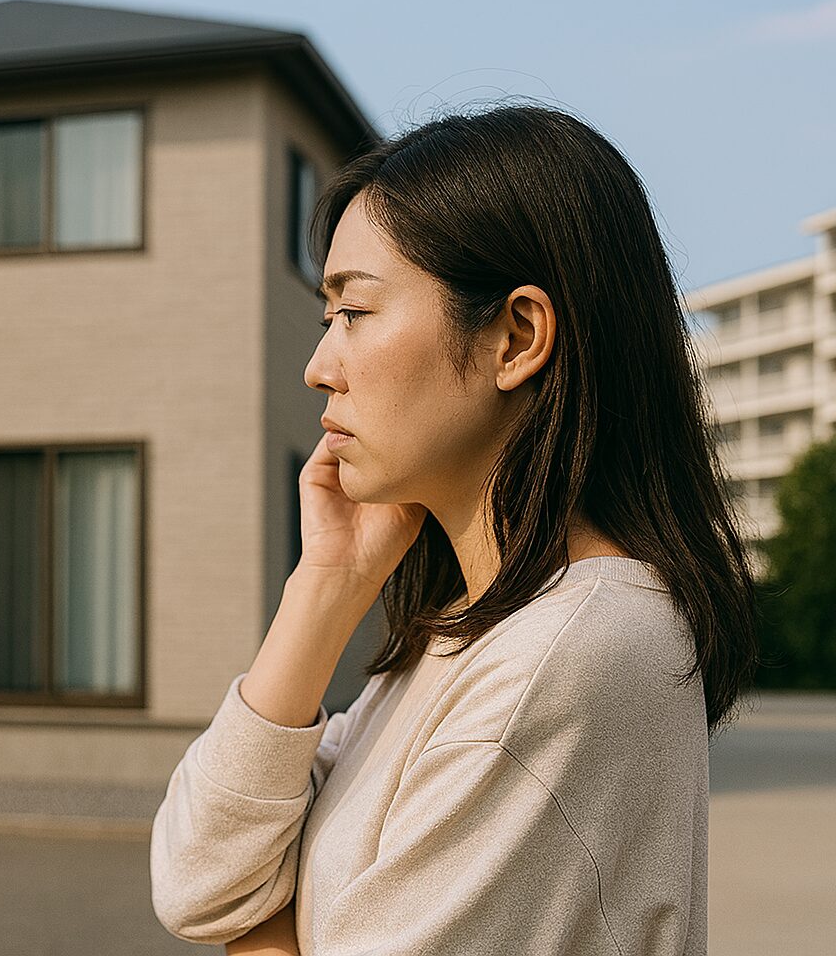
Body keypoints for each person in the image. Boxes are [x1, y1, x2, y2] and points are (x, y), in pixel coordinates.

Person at [148, 102, 761, 956]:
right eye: (329, 321)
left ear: (517, 337)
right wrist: (325, 584)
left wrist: (260, 922)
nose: (320, 366)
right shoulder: (465, 636)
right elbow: (194, 881)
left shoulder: (570, 654)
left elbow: (226, 904)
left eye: (354, 313)